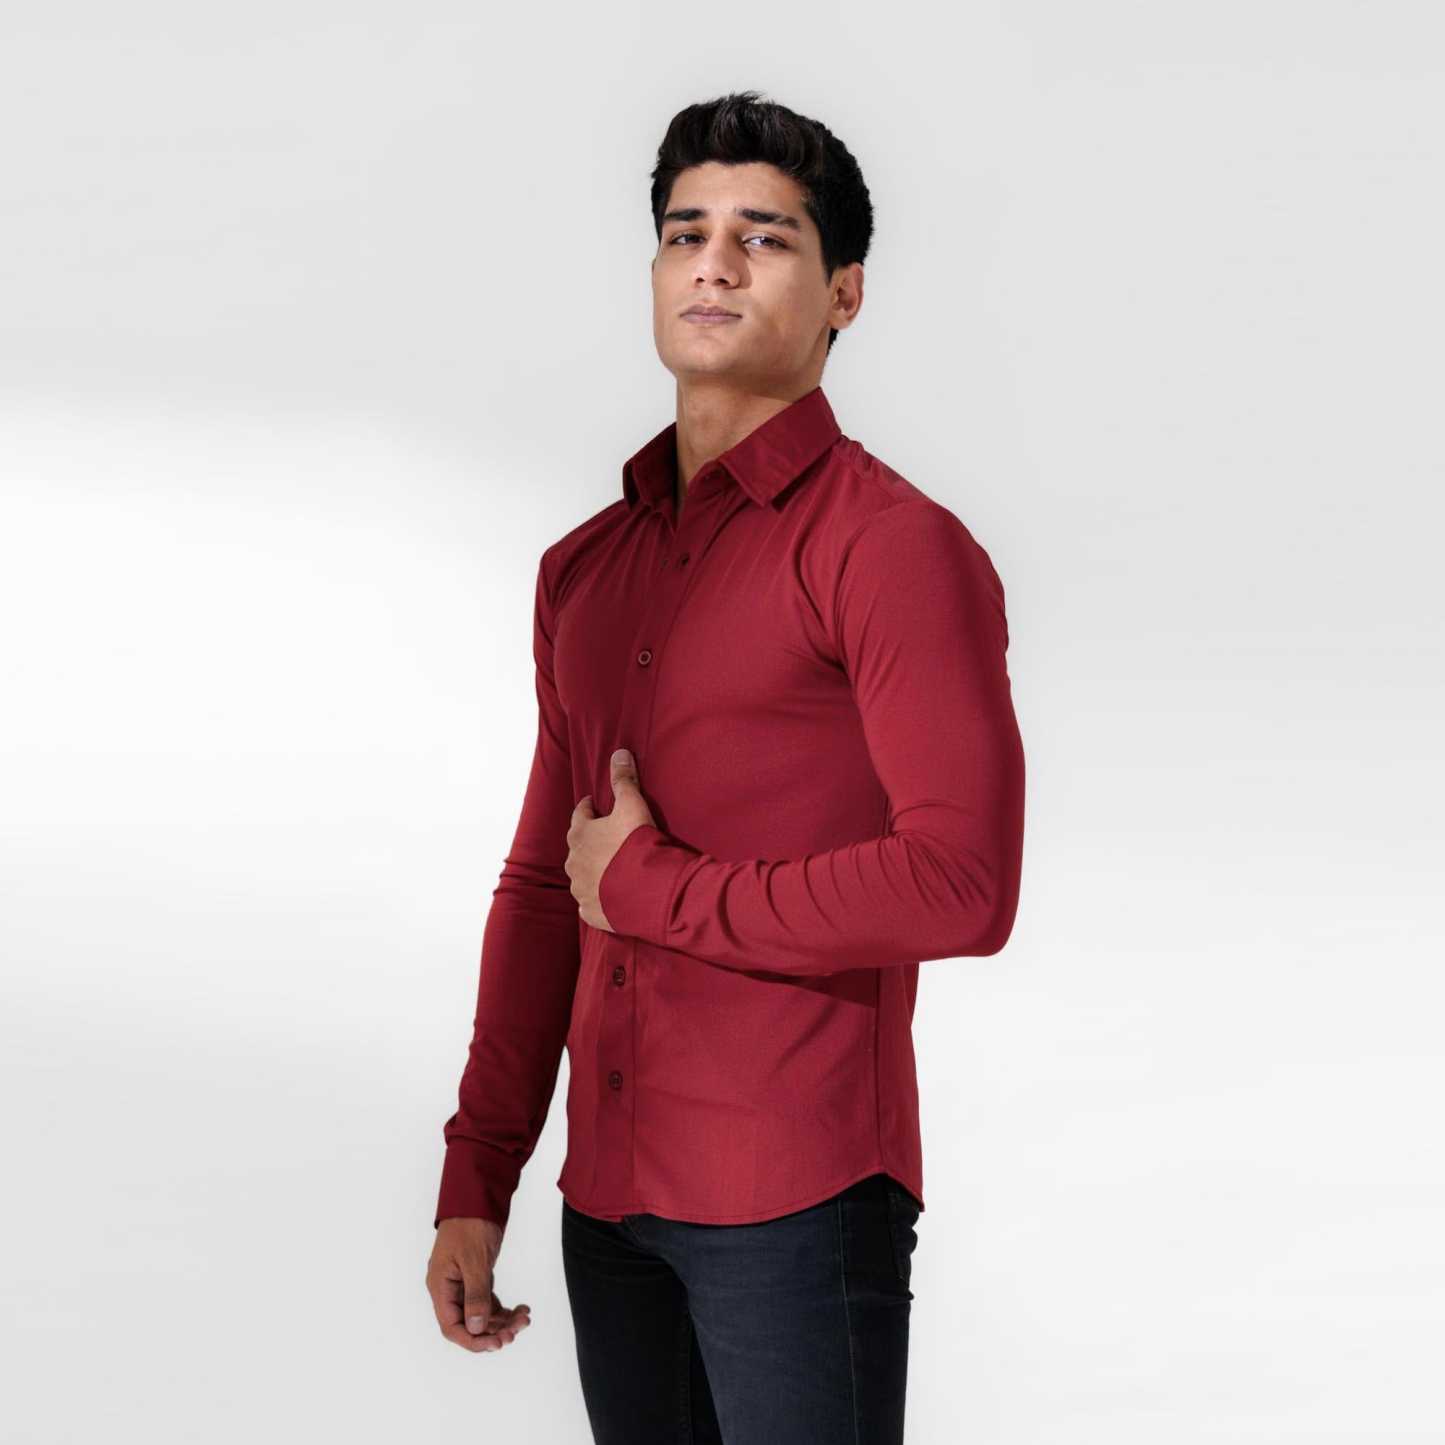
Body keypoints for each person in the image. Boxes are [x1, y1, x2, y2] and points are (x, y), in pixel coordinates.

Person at [425, 88, 1027, 1444]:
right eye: (685, 233)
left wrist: (655, 888)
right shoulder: (583, 570)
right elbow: (543, 884)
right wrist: (479, 1174)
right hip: (608, 1203)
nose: (714, 263)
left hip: (795, 1196)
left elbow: (962, 883)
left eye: (763, 237)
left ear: (843, 293)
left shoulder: (894, 550)